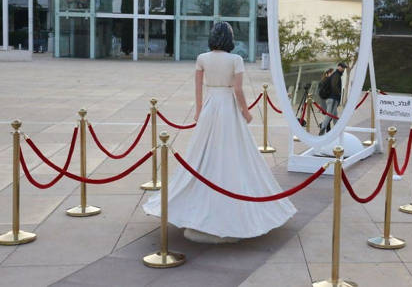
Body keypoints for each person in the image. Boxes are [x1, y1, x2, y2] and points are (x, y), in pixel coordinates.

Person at [143, 22, 296, 243]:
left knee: (203, 152)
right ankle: (229, 208)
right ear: (229, 38)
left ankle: (198, 204)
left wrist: (198, 111)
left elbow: (197, 87)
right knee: (232, 152)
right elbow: (237, 89)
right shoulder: (235, 60)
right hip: (227, 106)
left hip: (210, 106)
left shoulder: (202, 58)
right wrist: (246, 112)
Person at [319, 62, 346, 135]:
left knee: (335, 116)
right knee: (329, 115)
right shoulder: (336, 75)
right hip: (333, 98)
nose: (343, 69)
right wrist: (338, 93)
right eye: (342, 67)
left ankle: (337, 131)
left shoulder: (336, 75)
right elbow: (334, 86)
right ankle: (322, 129)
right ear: (338, 67)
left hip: (332, 98)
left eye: (344, 68)